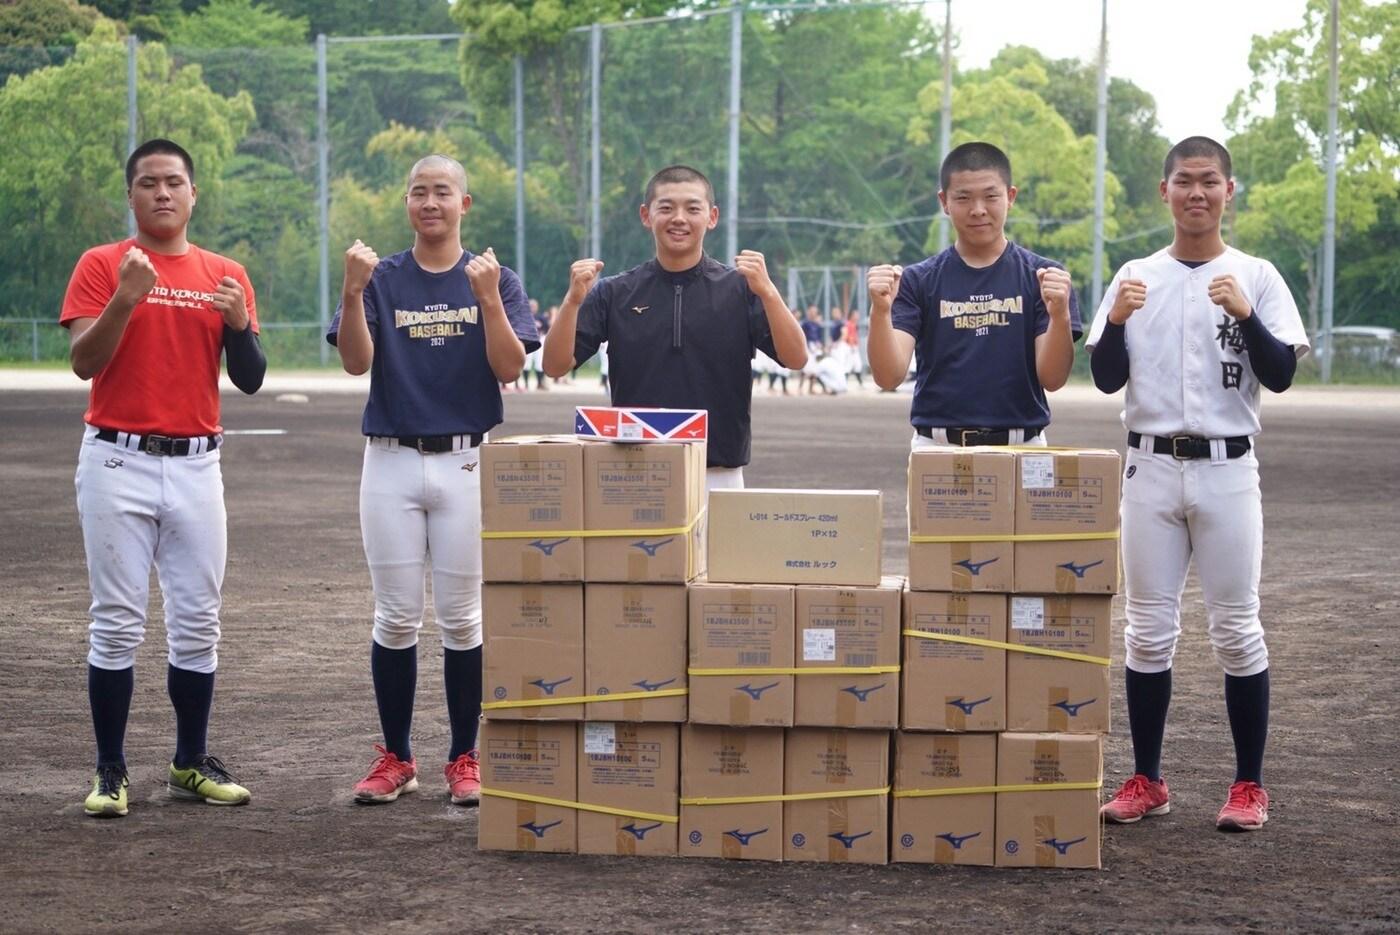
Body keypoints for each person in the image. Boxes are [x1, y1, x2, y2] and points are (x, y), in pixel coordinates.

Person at [1087, 137, 1308, 833]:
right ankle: (1147, 777)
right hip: (1149, 465)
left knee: (1238, 629)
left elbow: (1280, 373)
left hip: (1227, 467)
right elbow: (1103, 376)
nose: (1196, 194)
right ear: (1164, 191)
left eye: (1209, 182)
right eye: (1184, 181)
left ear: (1229, 190)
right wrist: (1117, 318)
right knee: (1147, 632)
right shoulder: (1134, 274)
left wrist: (1244, 311)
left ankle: (1249, 784)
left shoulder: (1257, 275)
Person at [61, 138, 266, 818]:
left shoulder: (223, 271)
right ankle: (110, 769)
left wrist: (238, 322)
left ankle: (188, 761)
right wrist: (125, 297)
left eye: (174, 181)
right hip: (117, 459)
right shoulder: (102, 265)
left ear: (194, 192)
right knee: (117, 623)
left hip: (196, 465)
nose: (162, 193)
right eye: (148, 182)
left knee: (198, 622)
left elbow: (251, 378)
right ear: (131, 195)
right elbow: (83, 362)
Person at [329, 154, 537, 807]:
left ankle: (463, 756)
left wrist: (485, 299)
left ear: (464, 203)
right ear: (407, 202)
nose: (430, 202)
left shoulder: (493, 278)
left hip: (466, 460)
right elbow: (355, 362)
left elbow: (510, 365)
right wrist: (353, 290)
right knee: (394, 616)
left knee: (462, 617)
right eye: (419, 192)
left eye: (442, 192)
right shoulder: (383, 277)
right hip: (390, 458)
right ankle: (397, 757)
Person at [542, 164, 807, 489]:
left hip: (718, 474)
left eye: (692, 208)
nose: (679, 218)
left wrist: (768, 291)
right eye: (666, 208)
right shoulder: (615, 292)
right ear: (646, 215)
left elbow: (796, 358)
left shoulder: (741, 289)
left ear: (711, 217)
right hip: (633, 471)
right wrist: (571, 302)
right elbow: (555, 365)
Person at [865, 141, 1080, 448]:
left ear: (1011, 197)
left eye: (991, 196)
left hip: (1022, 447)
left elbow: (1053, 379)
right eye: (963, 198)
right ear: (944, 201)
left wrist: (1060, 315)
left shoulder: (1045, 278)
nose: (978, 210)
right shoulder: (916, 281)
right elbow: (888, 377)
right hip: (938, 447)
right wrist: (880, 311)